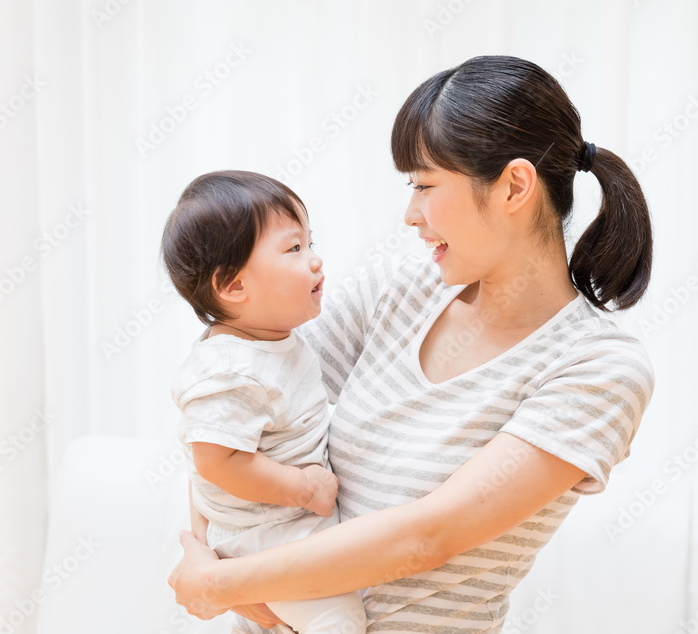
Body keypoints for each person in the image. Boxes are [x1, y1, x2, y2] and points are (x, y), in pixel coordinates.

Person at [167, 55, 656, 634]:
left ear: (514, 186)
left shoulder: (597, 367)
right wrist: (212, 554)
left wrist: (219, 583)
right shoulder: (392, 295)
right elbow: (237, 410)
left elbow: (430, 536)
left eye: (424, 185)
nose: (410, 214)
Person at [161, 170, 367, 634]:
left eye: (311, 243)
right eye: (294, 249)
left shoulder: (275, 342)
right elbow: (216, 461)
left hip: (283, 533)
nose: (315, 261)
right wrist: (302, 488)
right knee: (340, 621)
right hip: (264, 538)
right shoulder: (231, 366)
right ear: (233, 286)